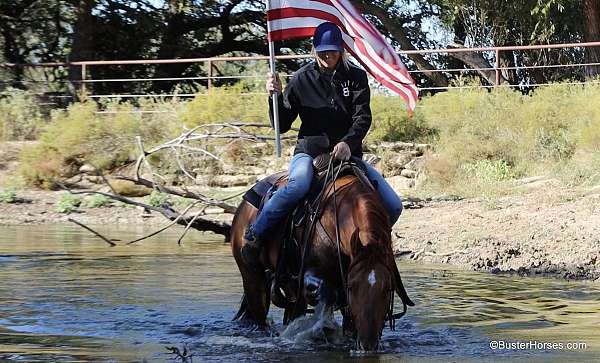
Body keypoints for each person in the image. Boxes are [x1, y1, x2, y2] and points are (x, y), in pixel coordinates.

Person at [241, 22, 403, 267]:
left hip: (348, 156)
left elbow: (363, 117)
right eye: (323, 51)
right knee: (297, 185)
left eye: (333, 50)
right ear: (314, 49)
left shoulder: (356, 77)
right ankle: (256, 233)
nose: (328, 56)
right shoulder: (300, 78)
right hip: (309, 152)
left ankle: (370, 251)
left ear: (341, 50)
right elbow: (282, 125)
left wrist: (349, 143)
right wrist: (273, 96)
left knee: (393, 205)